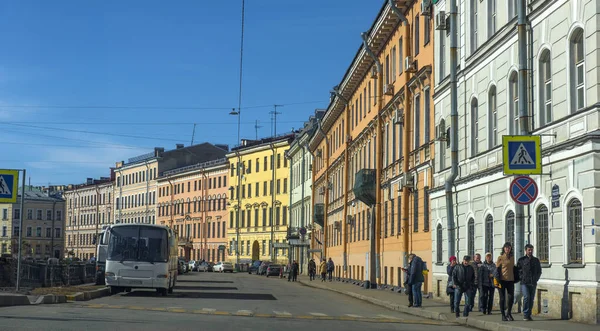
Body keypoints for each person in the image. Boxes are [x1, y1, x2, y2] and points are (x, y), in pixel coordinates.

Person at [517, 244, 542, 321]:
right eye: (529, 250)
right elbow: (518, 271)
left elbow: (539, 271)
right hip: (524, 282)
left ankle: (529, 314)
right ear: (526, 250)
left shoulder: (536, 260)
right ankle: (525, 314)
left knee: (531, 299)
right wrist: (521, 278)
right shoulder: (522, 260)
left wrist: (536, 279)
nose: (530, 251)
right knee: (526, 297)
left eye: (531, 250)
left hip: (533, 282)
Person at [496, 242, 516, 321]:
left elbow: (514, 268)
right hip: (502, 280)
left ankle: (509, 313)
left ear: (511, 249)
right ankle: (503, 315)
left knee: (511, 297)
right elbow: (497, 270)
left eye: (509, 247)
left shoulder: (512, 258)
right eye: (506, 247)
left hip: (510, 280)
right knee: (502, 298)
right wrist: (497, 281)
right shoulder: (500, 257)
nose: (507, 249)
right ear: (504, 248)